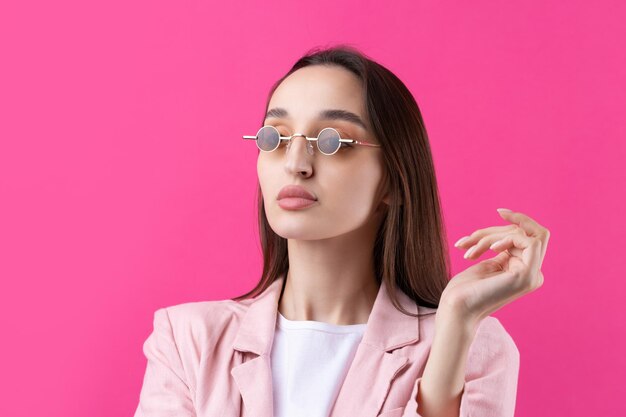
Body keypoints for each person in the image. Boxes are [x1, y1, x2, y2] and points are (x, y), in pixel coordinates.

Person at [133, 45, 550, 417]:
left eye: (332, 141)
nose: (296, 162)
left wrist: (456, 321)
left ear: (393, 179)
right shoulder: (188, 339)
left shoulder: (474, 344)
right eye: (274, 137)